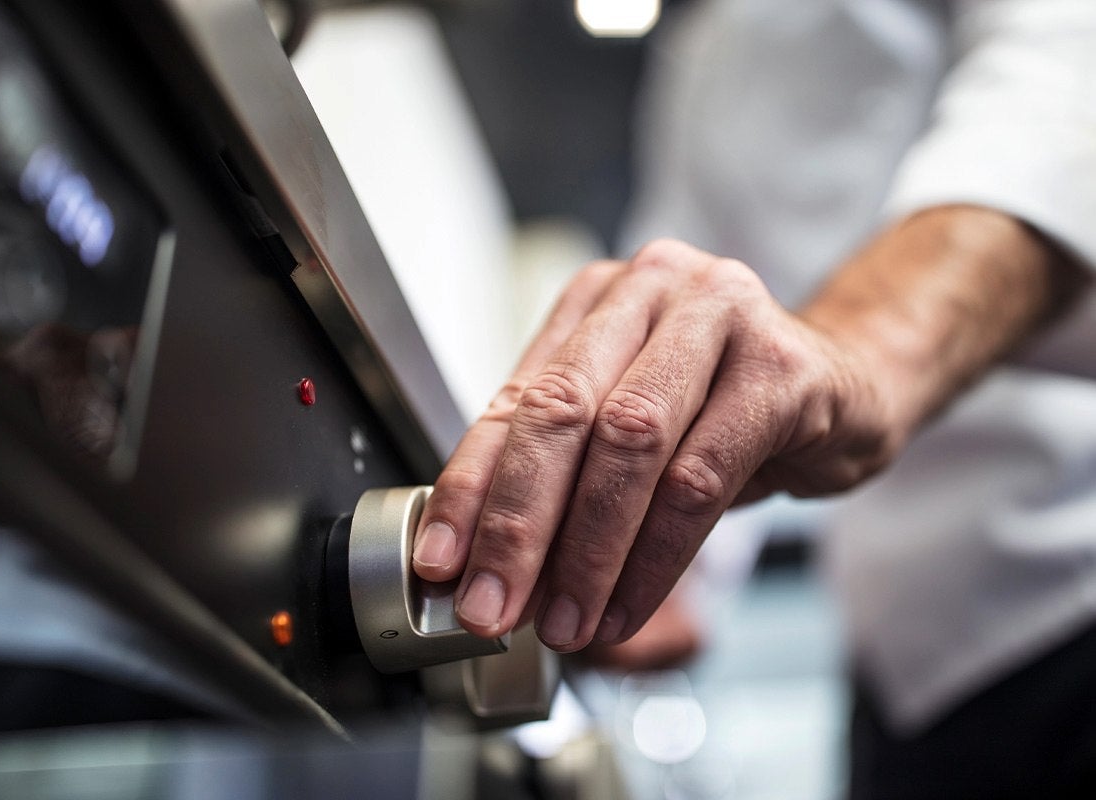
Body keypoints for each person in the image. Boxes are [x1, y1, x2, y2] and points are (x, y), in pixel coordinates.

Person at [413, 0, 1096, 795]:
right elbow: (695, 297)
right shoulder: (707, 48)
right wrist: (656, 564)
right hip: (903, 660)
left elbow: (1062, 87)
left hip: (1068, 590)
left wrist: (863, 353)